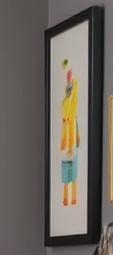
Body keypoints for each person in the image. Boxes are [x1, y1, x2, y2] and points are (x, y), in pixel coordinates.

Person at [60, 59, 79, 208]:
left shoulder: (74, 90)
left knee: (74, 168)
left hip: (71, 132)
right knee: (66, 168)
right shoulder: (66, 101)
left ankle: (72, 198)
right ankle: (67, 199)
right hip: (67, 132)